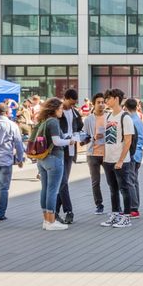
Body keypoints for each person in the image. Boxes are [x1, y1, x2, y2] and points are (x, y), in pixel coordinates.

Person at [34, 98, 74, 231]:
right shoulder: (54, 122)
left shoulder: (43, 121)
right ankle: (51, 221)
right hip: (55, 158)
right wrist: (70, 142)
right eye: (61, 108)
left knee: (45, 189)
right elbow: (57, 141)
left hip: (42, 159)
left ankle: (46, 220)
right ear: (55, 109)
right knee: (53, 190)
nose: (62, 111)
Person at [99, 89, 136, 228]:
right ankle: (115, 214)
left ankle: (126, 217)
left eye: (108, 99)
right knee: (112, 188)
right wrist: (104, 156)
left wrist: (120, 160)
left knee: (124, 188)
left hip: (121, 160)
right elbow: (107, 139)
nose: (106, 102)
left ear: (116, 98)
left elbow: (128, 140)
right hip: (108, 158)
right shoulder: (108, 117)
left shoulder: (125, 117)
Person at [54, 89, 83, 225]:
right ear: (65, 98)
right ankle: (69, 211)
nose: (72, 106)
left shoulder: (75, 112)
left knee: (63, 182)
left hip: (71, 150)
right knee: (63, 181)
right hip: (60, 149)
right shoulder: (57, 114)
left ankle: (54, 211)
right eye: (70, 103)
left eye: (74, 104)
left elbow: (79, 128)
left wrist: (80, 136)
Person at [81, 93, 108, 214]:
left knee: (112, 181)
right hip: (92, 153)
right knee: (95, 181)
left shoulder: (109, 117)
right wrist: (93, 137)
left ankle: (116, 206)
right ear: (93, 104)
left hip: (108, 153)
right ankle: (99, 204)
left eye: (103, 102)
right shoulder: (88, 119)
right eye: (99, 102)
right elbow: (83, 137)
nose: (101, 104)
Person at [124, 98, 143, 218]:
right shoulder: (138, 119)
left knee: (130, 181)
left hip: (132, 153)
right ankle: (135, 206)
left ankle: (133, 208)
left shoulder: (130, 120)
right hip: (139, 153)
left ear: (126, 107)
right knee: (134, 180)